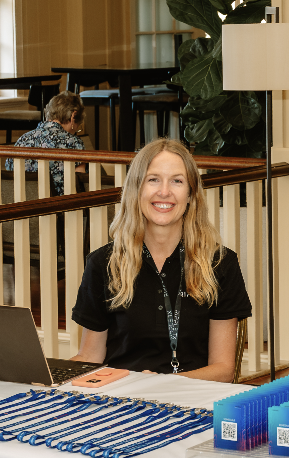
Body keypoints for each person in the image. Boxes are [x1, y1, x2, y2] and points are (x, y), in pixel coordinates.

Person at [69, 138, 252, 381]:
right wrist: (46, 373)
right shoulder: (103, 263)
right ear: (136, 189)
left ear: (191, 193)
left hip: (190, 397)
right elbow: (89, 357)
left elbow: (223, 369)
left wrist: (163, 384)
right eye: (153, 179)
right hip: (122, 396)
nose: (164, 191)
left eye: (177, 181)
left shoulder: (220, 263)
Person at [13, 92, 86, 194]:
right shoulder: (74, 143)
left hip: (24, 201)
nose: (76, 129)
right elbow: (80, 185)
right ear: (73, 116)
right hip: (60, 203)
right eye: (78, 125)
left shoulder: (22, 139)